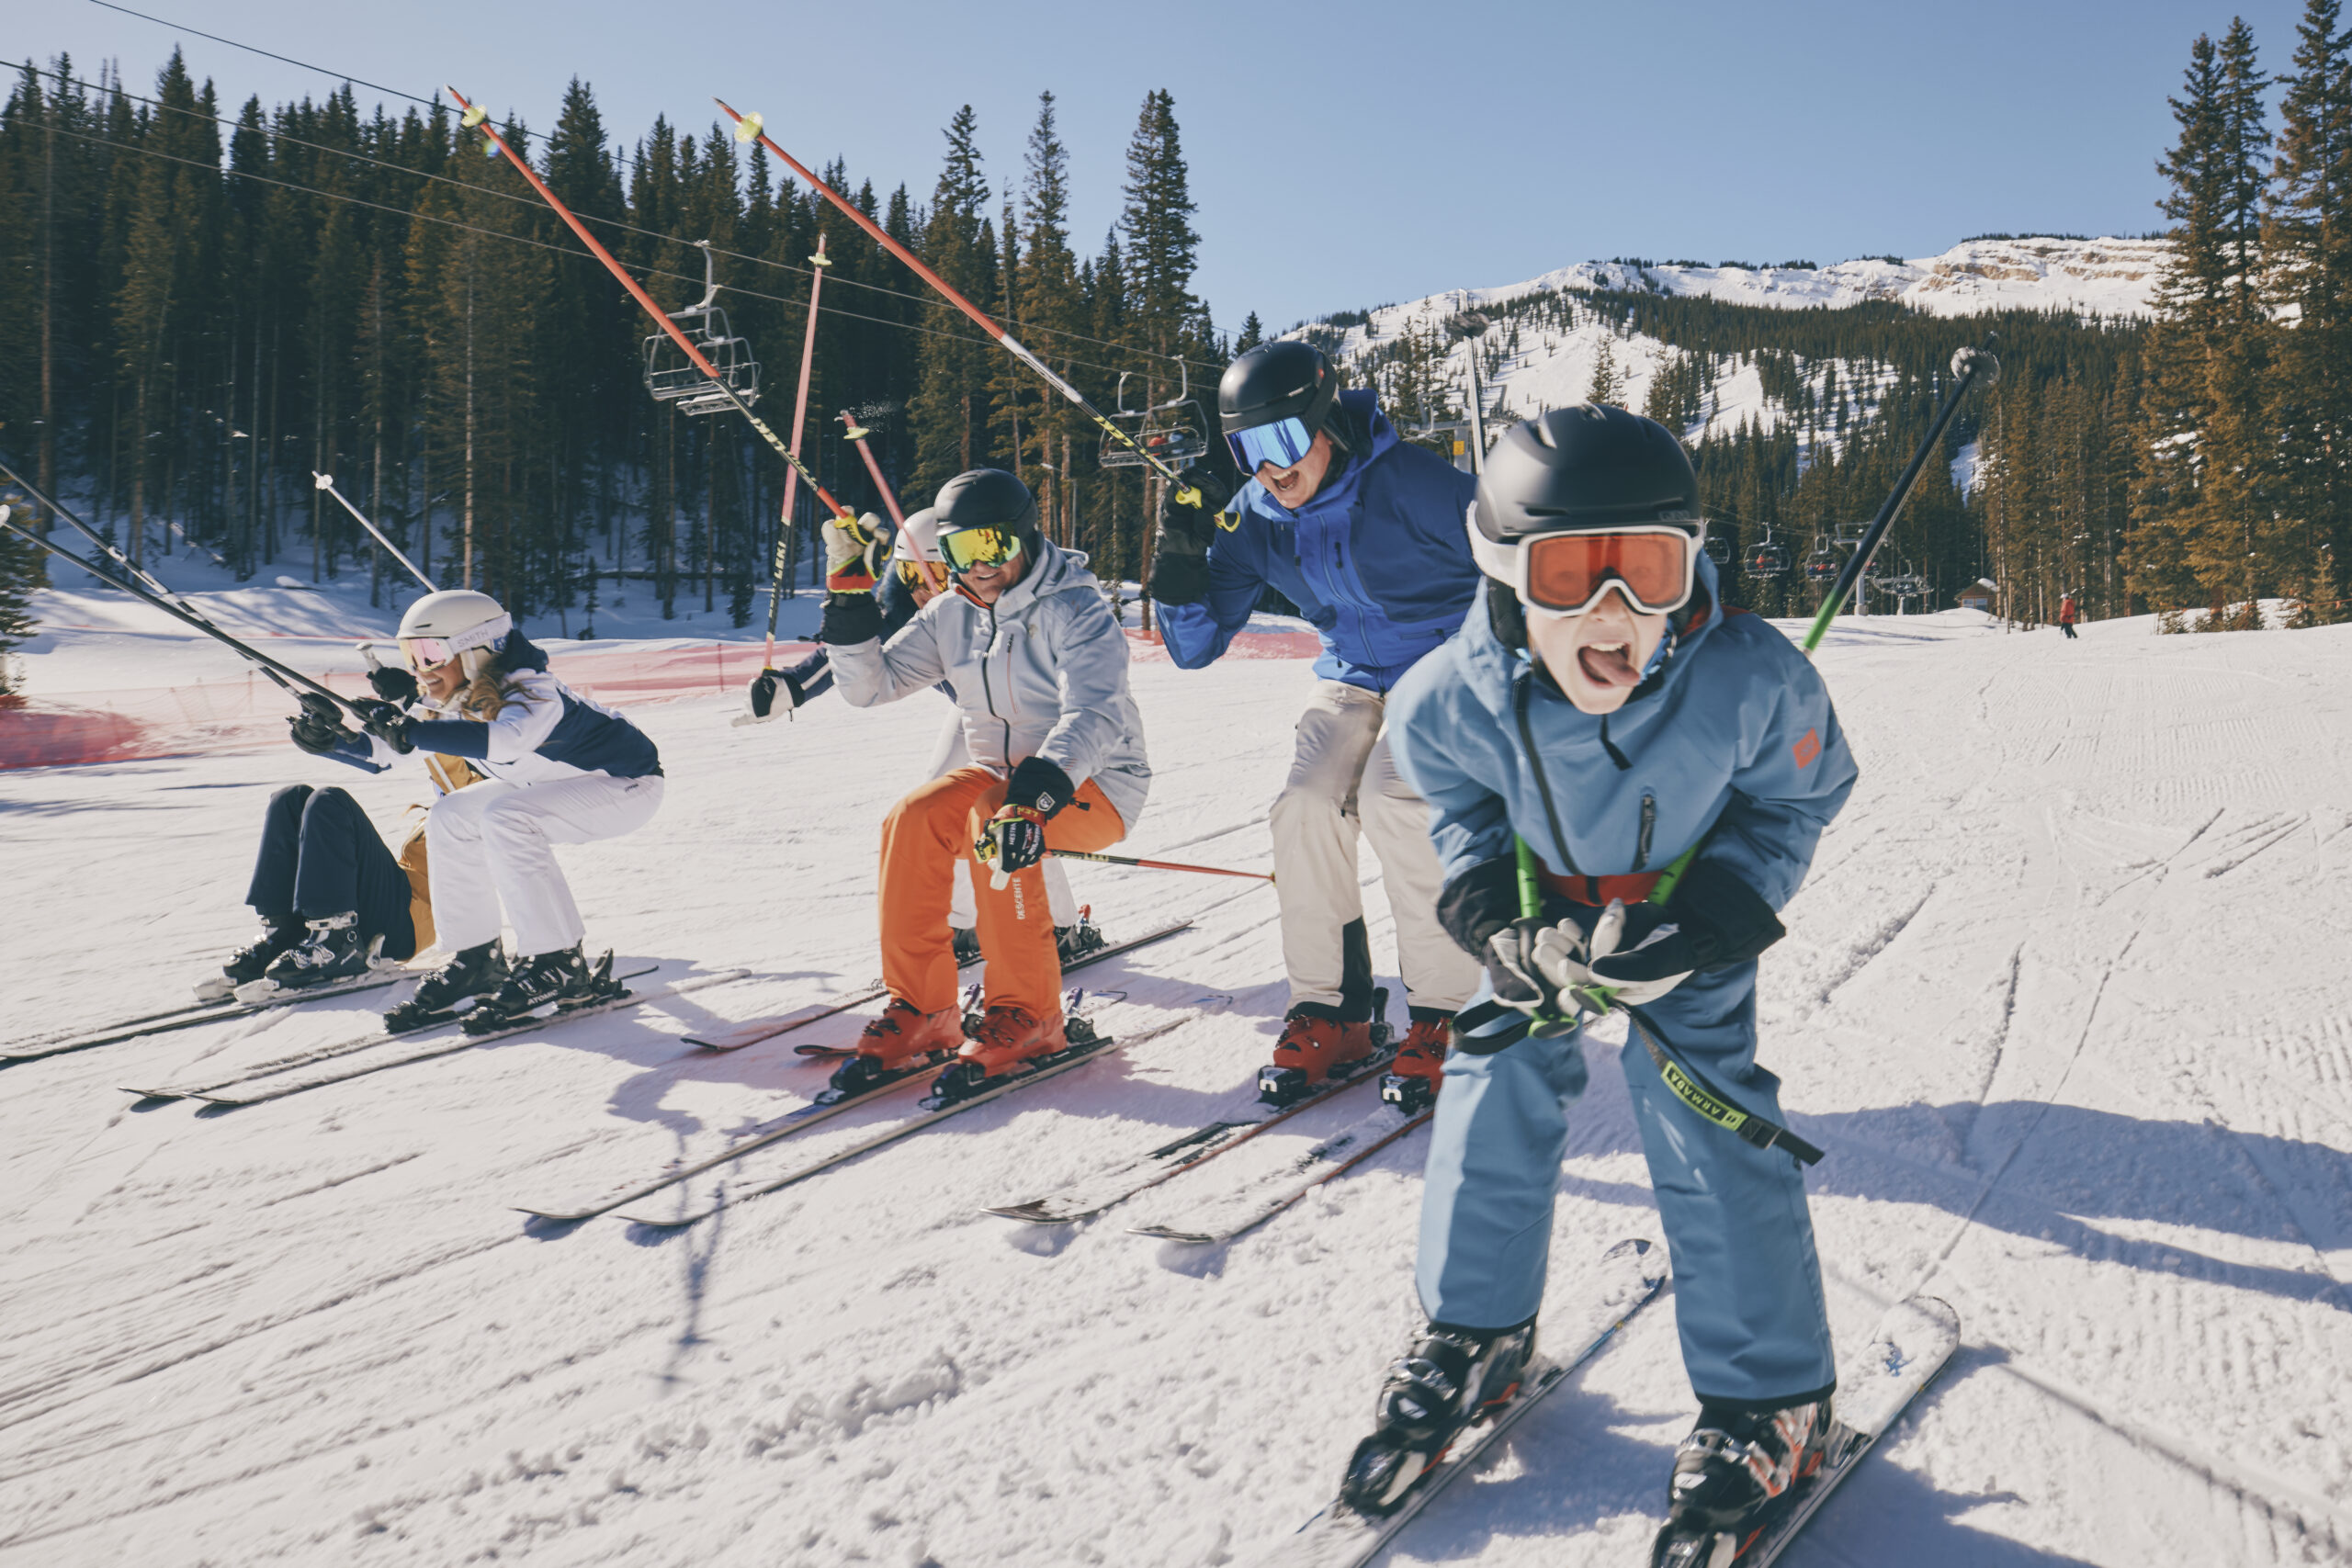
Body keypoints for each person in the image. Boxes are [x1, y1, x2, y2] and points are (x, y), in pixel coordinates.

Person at [1348, 406, 1859, 1563]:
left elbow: (1798, 796)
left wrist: (1721, 911)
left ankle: (1769, 1399)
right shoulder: (1447, 694)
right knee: (1491, 1074)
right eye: (1572, 572)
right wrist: (1491, 918)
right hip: (1543, 917)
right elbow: (1460, 815)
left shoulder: (1749, 677)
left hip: (1685, 923)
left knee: (1704, 1111)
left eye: (1648, 569)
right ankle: (1473, 1327)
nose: (1615, 612)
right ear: (1502, 573)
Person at [1150, 340, 1484, 1101]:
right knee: (1303, 807)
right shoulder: (1253, 516)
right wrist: (1181, 552)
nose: (1271, 468)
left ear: (1325, 419)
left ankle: (1447, 1013)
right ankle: (1333, 1012)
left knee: (1396, 799)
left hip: (1456, 661)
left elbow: (1525, 558)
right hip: (1353, 676)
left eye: (1283, 440)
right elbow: (1193, 648)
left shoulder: (1414, 483)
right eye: (1248, 449)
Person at [822, 468, 1149, 1086]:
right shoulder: (952, 614)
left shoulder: (1075, 608)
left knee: (993, 815)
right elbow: (870, 687)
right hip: (1002, 783)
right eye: (959, 551)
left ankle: (1029, 1013)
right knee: (912, 817)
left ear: (1023, 536)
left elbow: (1096, 714)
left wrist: (1033, 793)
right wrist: (848, 597)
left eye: (991, 546)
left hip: (1094, 783)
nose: (977, 566)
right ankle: (925, 1008)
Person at [294, 588, 665, 1033]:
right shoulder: (455, 697)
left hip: (626, 786)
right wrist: (334, 741)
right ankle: (477, 958)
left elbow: (506, 739)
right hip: (548, 787)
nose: (419, 668)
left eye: (430, 652)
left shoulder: (533, 690)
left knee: (506, 816)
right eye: (411, 655)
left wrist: (410, 725)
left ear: (477, 649)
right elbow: (386, 754)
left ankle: (559, 961)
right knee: (450, 815)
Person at [746, 509, 1100, 965]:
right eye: (908, 570)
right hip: (978, 712)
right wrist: (794, 686)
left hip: (1042, 713)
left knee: (1015, 812)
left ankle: (1059, 926)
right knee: (941, 803)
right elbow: (859, 649)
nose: (917, 583)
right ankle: (961, 925)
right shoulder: (912, 603)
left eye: (931, 571)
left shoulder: (1012, 595)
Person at [199, 750, 481, 1003]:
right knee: (291, 798)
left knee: (331, 802)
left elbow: (467, 787)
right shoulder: (451, 802)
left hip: (406, 926)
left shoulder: (492, 797)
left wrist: (435, 731)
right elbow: (385, 751)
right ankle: (284, 932)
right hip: (394, 902)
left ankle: (338, 943)